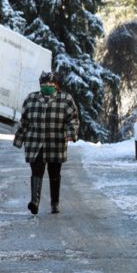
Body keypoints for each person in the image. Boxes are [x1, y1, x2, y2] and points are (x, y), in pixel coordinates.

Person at [13, 71, 80, 215]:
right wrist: (19, 138)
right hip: (35, 143)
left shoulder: (65, 99)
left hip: (56, 143)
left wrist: (70, 133)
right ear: (40, 84)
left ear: (56, 85)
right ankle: (35, 202)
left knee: (54, 173)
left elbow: (73, 119)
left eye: (51, 84)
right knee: (37, 171)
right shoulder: (31, 99)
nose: (48, 86)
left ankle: (55, 203)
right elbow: (24, 121)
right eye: (45, 84)